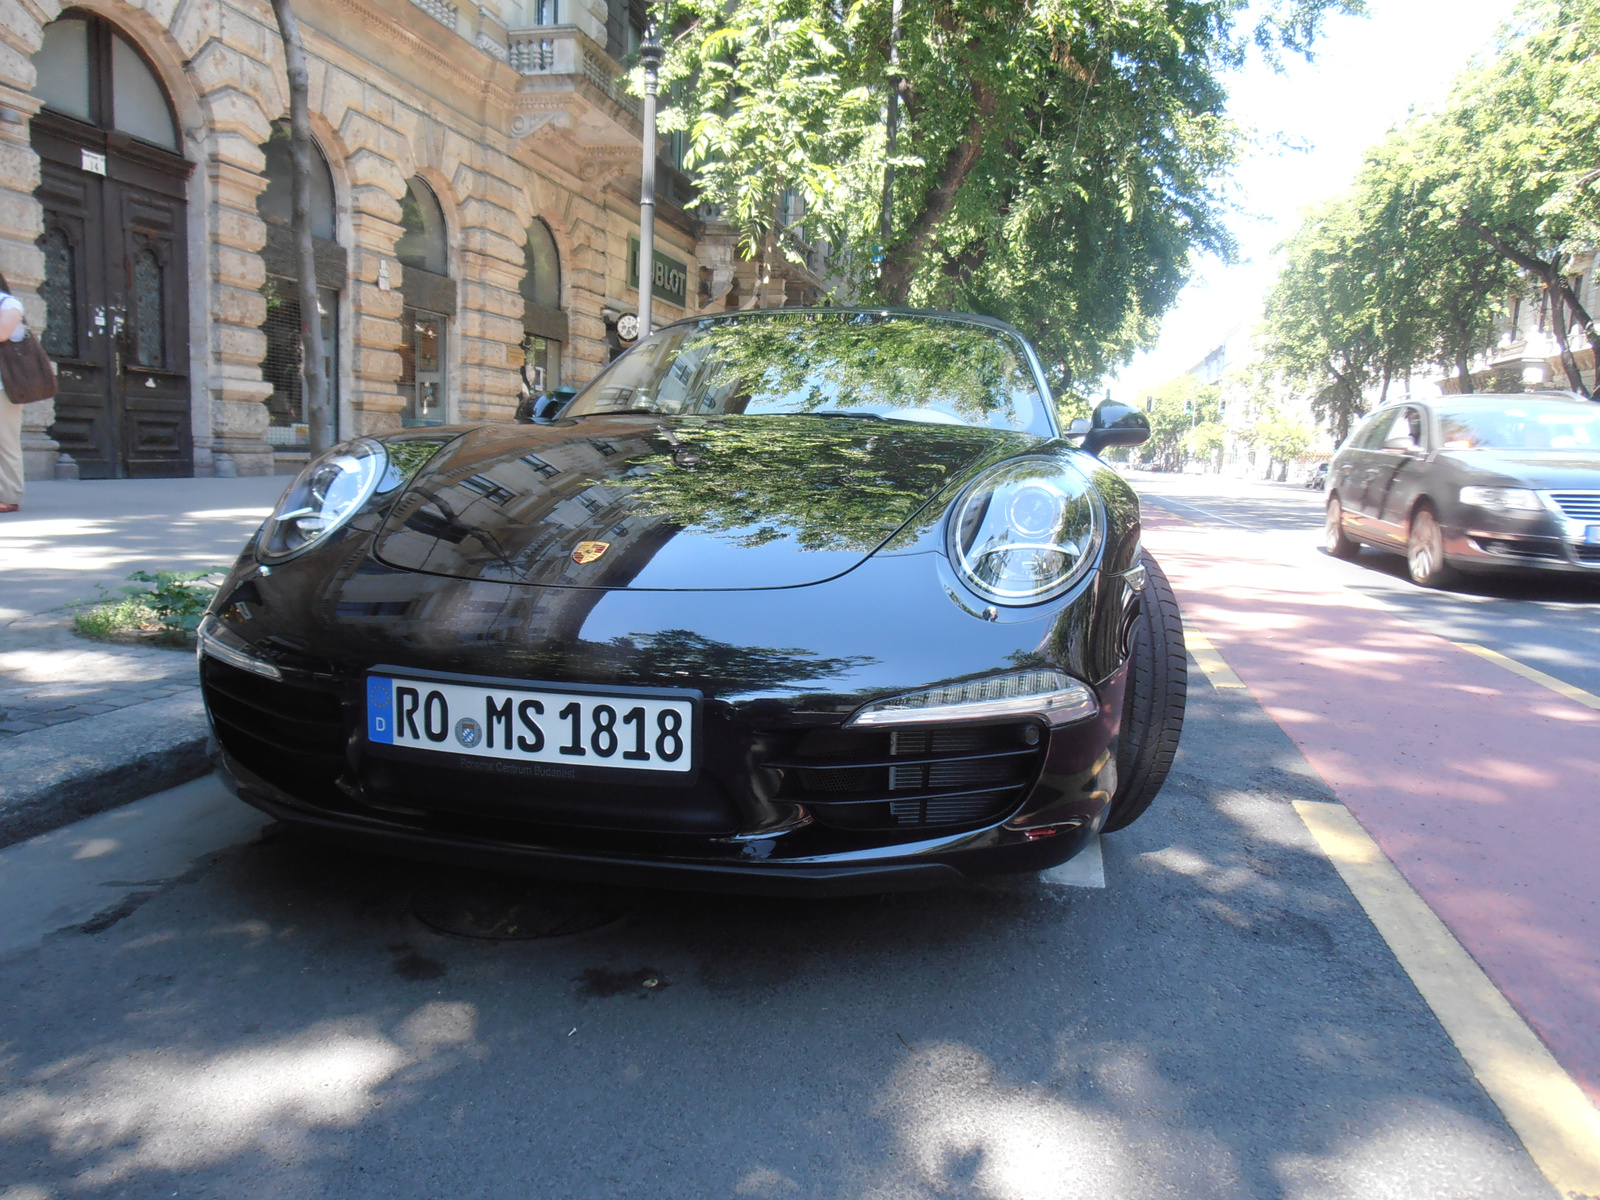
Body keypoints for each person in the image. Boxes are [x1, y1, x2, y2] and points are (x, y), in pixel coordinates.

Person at [0, 271, 26, 514]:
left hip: (4, 386)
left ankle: (9, 496)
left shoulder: (9, 303)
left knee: (5, 441)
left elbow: (2, 333)